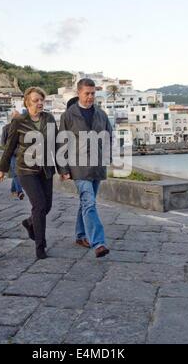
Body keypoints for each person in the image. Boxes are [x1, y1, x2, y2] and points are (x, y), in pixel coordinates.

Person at [0, 87, 58, 260]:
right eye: (35, 100)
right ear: (27, 102)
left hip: (45, 169)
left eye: (41, 100)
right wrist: (2, 169)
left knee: (47, 207)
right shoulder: (18, 121)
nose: (39, 103)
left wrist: (63, 169)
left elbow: (57, 145)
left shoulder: (50, 118)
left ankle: (30, 222)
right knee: (39, 206)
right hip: (26, 170)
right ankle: (40, 246)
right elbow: (9, 147)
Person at [59, 79, 113, 258]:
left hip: (97, 167)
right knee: (89, 203)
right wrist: (63, 168)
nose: (90, 97)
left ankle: (81, 235)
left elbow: (108, 137)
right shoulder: (68, 116)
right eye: (87, 93)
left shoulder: (101, 114)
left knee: (86, 203)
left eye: (93, 94)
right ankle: (98, 243)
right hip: (79, 167)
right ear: (79, 93)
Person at [1, 110, 25, 200]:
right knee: (16, 173)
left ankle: (13, 189)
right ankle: (20, 191)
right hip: (14, 154)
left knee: (17, 173)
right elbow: (4, 143)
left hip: (21, 154)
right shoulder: (6, 128)